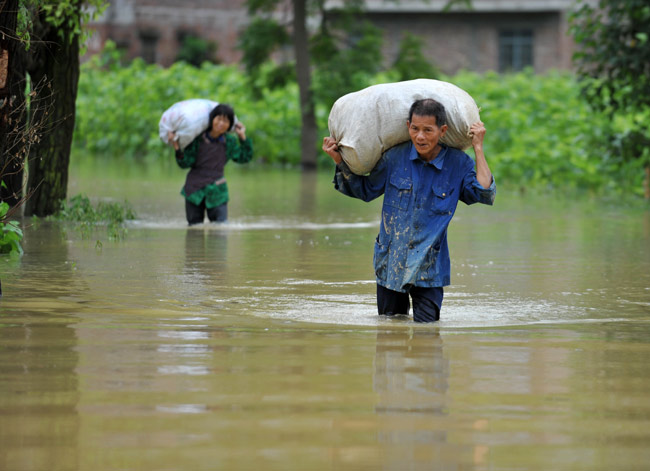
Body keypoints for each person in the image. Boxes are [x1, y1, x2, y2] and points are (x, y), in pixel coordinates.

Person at [322, 98, 496, 323]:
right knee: (388, 335)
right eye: (415, 129)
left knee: (428, 336)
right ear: (407, 127)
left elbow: (483, 192)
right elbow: (365, 190)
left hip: (430, 268)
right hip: (390, 264)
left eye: (427, 130)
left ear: (442, 130)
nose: (420, 137)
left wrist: (478, 147)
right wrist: (338, 159)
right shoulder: (394, 157)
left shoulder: (458, 164)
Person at [168, 103, 253, 225]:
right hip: (194, 190)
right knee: (194, 232)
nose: (221, 124)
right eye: (219, 119)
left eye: (226, 121)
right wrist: (176, 146)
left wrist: (242, 137)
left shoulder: (229, 142)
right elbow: (184, 163)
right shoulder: (196, 139)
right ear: (212, 119)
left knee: (221, 230)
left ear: (230, 125)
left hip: (217, 190)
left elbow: (244, 157)